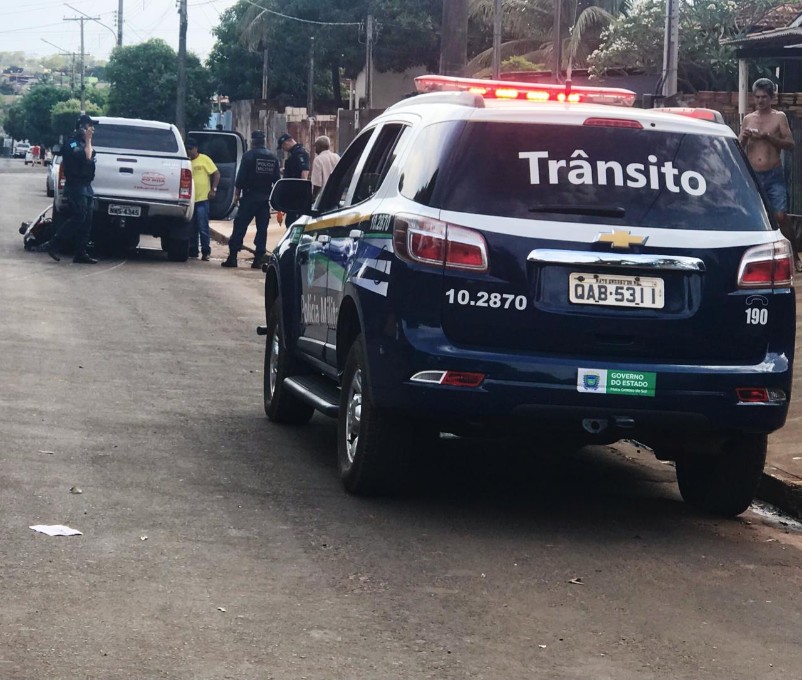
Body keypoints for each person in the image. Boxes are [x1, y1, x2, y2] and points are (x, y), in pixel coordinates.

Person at [739, 78, 798, 270]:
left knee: (780, 215)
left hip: (773, 173)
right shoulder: (748, 118)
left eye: (764, 97)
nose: (760, 100)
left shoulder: (779, 117)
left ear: (771, 97)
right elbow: (739, 149)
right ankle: (756, 261)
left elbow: (790, 144)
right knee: (754, 218)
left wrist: (768, 137)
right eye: (757, 97)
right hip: (753, 175)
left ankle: (795, 255)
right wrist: (744, 137)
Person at [36, 115, 99, 264]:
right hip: (75, 186)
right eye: (89, 127)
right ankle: (53, 244)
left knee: (86, 221)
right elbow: (87, 157)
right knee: (78, 217)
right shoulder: (72, 144)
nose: (91, 130)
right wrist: (89, 140)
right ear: (81, 128)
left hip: (86, 186)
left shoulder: (84, 143)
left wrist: (88, 141)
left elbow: (91, 154)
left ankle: (80, 253)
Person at [221, 130, 281, 269]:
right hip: (265, 198)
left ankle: (233, 257)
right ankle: (258, 259)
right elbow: (277, 180)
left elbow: (241, 177)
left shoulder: (248, 156)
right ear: (264, 141)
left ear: (253, 142)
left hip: (249, 197)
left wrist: (236, 195)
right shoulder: (272, 157)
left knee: (240, 226)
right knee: (262, 229)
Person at [186, 137, 220, 261]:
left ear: (196, 148)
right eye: (187, 149)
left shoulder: (204, 159)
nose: (189, 151)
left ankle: (206, 251)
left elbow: (216, 174)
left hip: (202, 199)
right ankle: (193, 250)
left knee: (202, 226)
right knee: (191, 227)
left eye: (191, 148)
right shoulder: (185, 162)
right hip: (189, 200)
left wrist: (213, 189)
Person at [277, 133, 310, 228]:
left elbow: (304, 172)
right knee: (290, 222)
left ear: (288, 142)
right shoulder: (295, 154)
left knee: (293, 222)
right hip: (293, 195)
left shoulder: (300, 153)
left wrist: (303, 191)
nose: (284, 149)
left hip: (297, 195)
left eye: (283, 146)